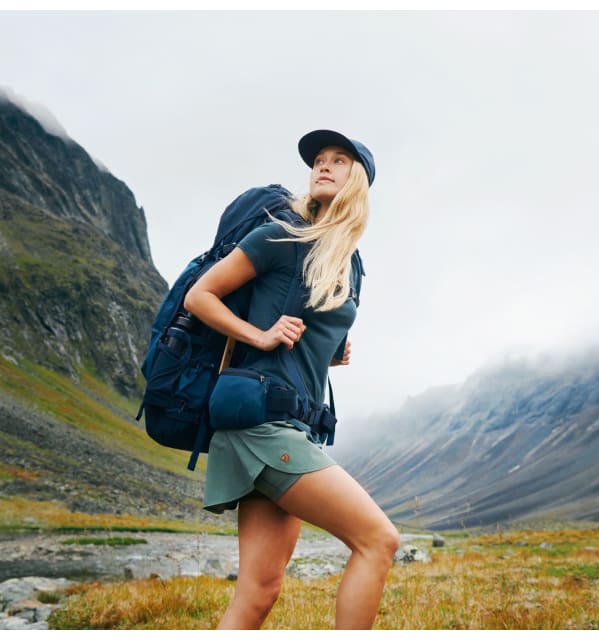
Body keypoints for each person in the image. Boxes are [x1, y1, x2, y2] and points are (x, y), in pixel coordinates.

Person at [184, 129, 400, 630]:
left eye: (338, 160)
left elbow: (300, 331)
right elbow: (201, 296)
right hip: (262, 421)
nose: (323, 166)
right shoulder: (281, 236)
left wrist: (326, 351)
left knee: (259, 591)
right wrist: (258, 336)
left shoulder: (347, 262)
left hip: (283, 420)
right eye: (318, 160)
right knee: (379, 540)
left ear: (358, 181)